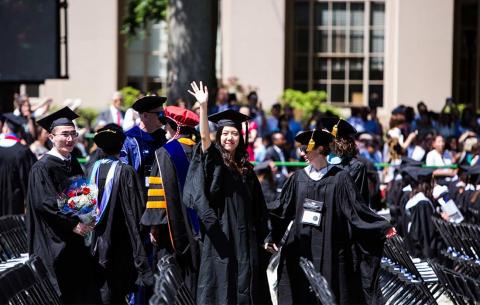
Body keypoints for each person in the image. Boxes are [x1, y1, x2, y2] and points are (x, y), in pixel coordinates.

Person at [267, 129, 394, 305]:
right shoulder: (297, 178)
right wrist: (272, 236)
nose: (302, 153)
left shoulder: (340, 178)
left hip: (330, 249)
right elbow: (282, 210)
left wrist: (381, 226)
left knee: (330, 293)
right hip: (300, 247)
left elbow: (357, 210)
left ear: (320, 149)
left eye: (306, 148)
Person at [183, 81, 271, 305]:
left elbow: (259, 208)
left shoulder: (247, 170)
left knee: (244, 286)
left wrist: (266, 235)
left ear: (241, 137)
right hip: (221, 234)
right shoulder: (216, 162)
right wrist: (203, 107)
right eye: (224, 133)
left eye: (233, 133)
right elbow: (204, 139)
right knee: (220, 285)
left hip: (245, 238)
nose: (229, 138)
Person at [26, 107, 101, 304]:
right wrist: (73, 224)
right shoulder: (42, 167)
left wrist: (89, 213)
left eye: (73, 134)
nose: (70, 139)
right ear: (51, 136)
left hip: (75, 239)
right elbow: (46, 203)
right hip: (53, 240)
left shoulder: (72, 161)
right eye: (64, 134)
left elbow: (82, 194)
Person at [87, 124, 153, 304]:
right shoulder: (126, 171)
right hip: (121, 241)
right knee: (118, 290)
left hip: (95, 240)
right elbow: (138, 208)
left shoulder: (91, 169)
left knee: (103, 287)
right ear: (121, 147)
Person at [140, 105, 200, 294]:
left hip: (170, 232)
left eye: (168, 125)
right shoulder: (201, 152)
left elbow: (157, 195)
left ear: (178, 128)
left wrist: (155, 226)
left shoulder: (164, 153)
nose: (165, 129)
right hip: (200, 231)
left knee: (171, 279)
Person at [120, 95, 168, 193]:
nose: (163, 117)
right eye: (159, 114)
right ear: (145, 115)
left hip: (162, 194)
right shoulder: (130, 139)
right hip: (138, 195)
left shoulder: (164, 136)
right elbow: (125, 173)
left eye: (163, 113)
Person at [321, 118, 370, 205]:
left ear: (336, 140)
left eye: (326, 136)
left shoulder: (355, 167)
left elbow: (359, 201)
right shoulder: (320, 162)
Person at [0, 113, 36, 216]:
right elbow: (29, 180)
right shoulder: (22, 151)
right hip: (14, 201)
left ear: (5, 129)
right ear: (19, 131)